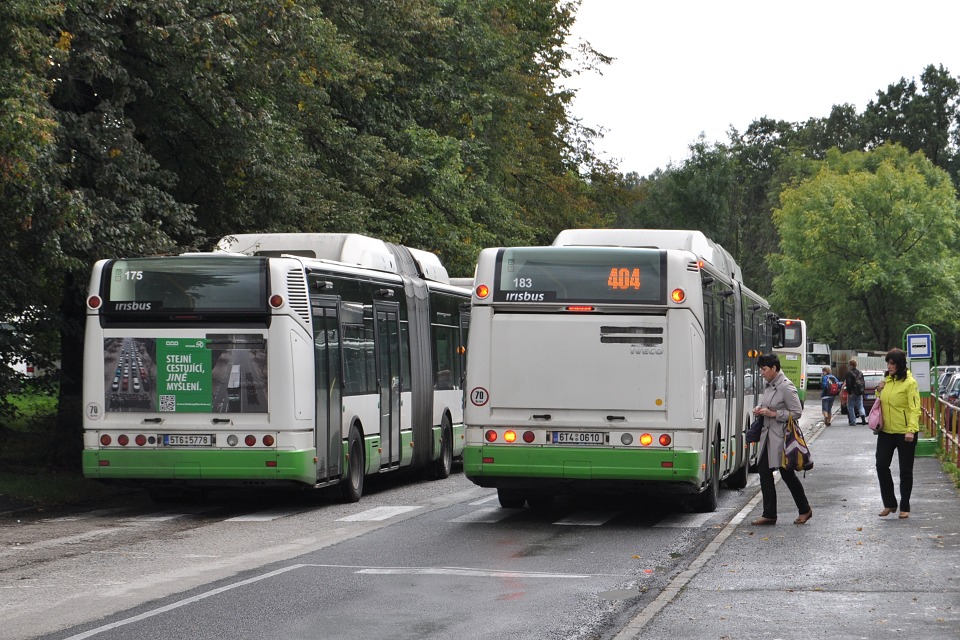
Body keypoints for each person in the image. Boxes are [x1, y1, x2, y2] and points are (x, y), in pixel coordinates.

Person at [751, 353, 813, 526]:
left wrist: (774, 414)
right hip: (767, 438)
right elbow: (768, 404)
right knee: (764, 472)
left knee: (787, 474)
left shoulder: (786, 387)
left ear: (774, 368)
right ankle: (769, 514)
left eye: (764, 369)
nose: (761, 373)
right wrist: (760, 409)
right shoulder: (769, 385)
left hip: (781, 439)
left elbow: (797, 412)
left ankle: (805, 509)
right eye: (761, 369)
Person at [873, 348, 921, 519]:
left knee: (905, 471)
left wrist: (911, 430)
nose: (889, 366)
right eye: (888, 363)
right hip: (886, 431)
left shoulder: (910, 383)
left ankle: (905, 506)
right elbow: (881, 401)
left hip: (905, 432)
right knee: (881, 465)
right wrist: (878, 390)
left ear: (900, 364)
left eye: (892, 363)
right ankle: (889, 503)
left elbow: (915, 408)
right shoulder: (887, 380)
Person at [845, 358, 866, 425]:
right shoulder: (860, 373)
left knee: (850, 406)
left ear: (851, 365)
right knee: (860, 406)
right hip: (859, 392)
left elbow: (848, 384)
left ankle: (853, 421)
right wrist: (862, 391)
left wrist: (849, 392)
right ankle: (862, 415)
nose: (848, 366)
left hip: (852, 392)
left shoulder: (849, 373)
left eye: (849, 365)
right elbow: (863, 382)